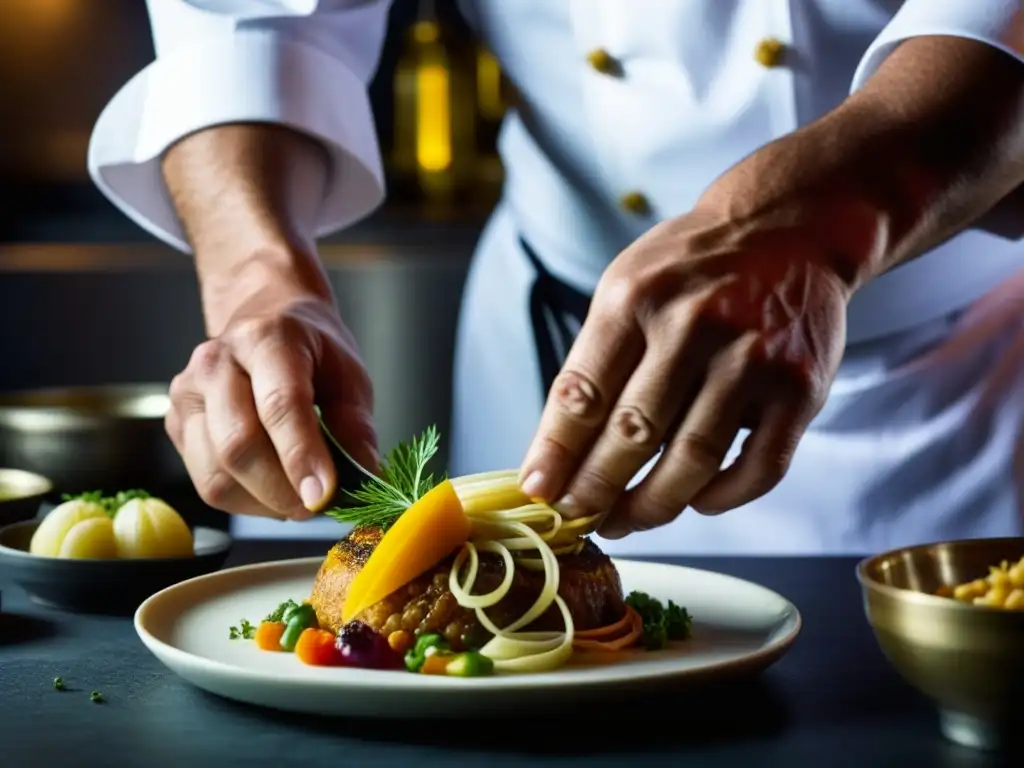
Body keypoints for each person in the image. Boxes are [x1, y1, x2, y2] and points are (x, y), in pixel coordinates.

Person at [88, 0, 1024, 554]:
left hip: (955, 372)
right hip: (543, 336)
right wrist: (258, 279)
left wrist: (831, 210)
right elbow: (252, 24)